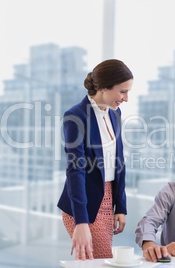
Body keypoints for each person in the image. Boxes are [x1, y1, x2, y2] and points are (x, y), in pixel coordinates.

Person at [57, 59, 133, 260]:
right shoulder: (75, 116)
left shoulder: (115, 114)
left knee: (93, 262)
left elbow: (119, 162)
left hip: (107, 200)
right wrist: (81, 222)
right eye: (122, 91)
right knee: (101, 259)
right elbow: (76, 170)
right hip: (83, 205)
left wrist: (120, 205)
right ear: (105, 87)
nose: (126, 98)